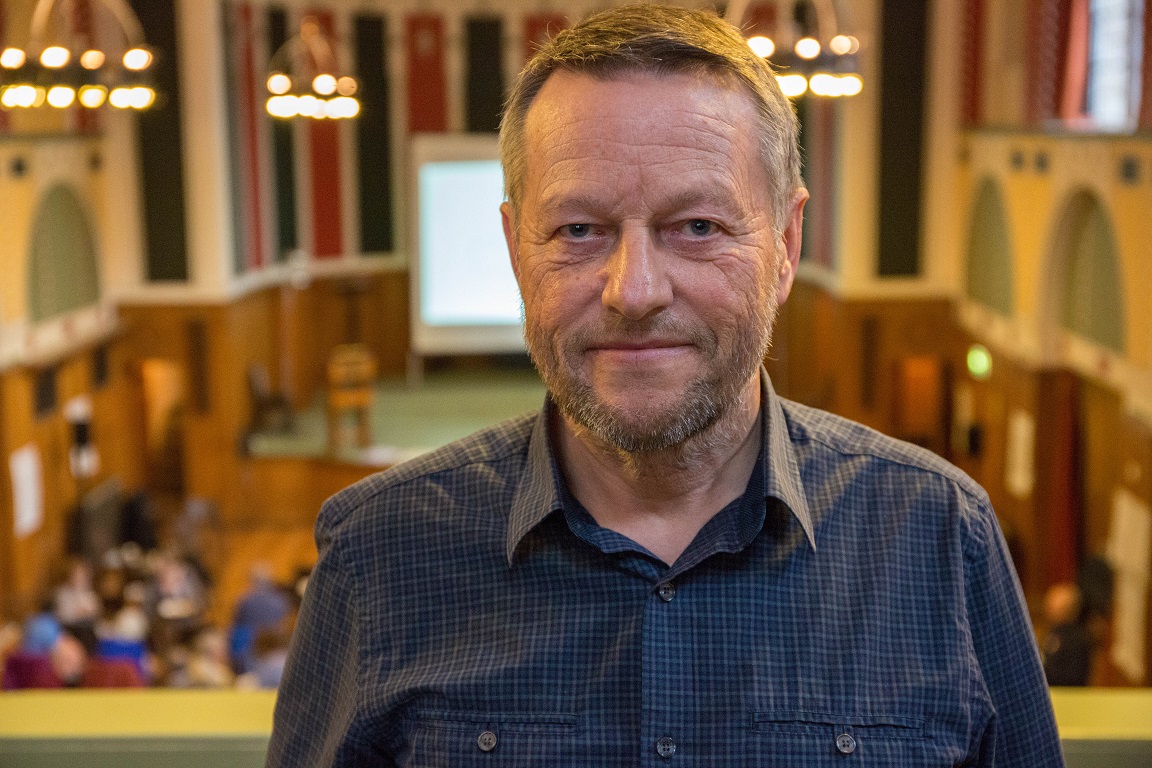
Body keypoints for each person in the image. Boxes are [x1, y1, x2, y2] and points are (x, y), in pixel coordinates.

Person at [268, 5, 1063, 766]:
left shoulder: (938, 539)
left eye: (698, 227)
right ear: (516, 251)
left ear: (785, 246)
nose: (634, 290)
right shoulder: (379, 554)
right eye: (579, 230)